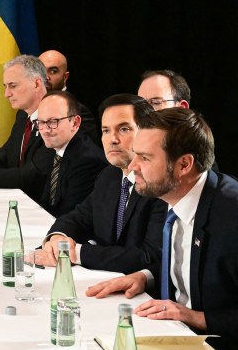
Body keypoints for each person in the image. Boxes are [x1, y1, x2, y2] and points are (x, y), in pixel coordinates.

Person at [85, 108, 238, 350]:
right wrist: (146, 277)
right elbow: (189, 263)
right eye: (135, 155)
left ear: (184, 164)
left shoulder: (231, 216)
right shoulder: (173, 194)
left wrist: (196, 317)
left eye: (145, 158)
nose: (133, 166)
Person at [38, 94, 166, 273]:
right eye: (106, 130)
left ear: (146, 132)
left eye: (123, 129)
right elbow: (79, 218)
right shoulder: (109, 176)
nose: (112, 139)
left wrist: (77, 252)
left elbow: (147, 257)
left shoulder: (159, 184)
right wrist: (58, 237)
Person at [0, 55, 97, 203]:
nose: (6, 94)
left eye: (13, 86)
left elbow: (35, 174)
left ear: (37, 83)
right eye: (5, 87)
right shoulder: (22, 115)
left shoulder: (67, 113)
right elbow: (4, 157)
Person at [33, 91, 107, 216]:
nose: (45, 130)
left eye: (53, 122)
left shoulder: (88, 160)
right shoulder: (55, 148)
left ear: (75, 123)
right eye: (40, 122)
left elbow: (68, 214)